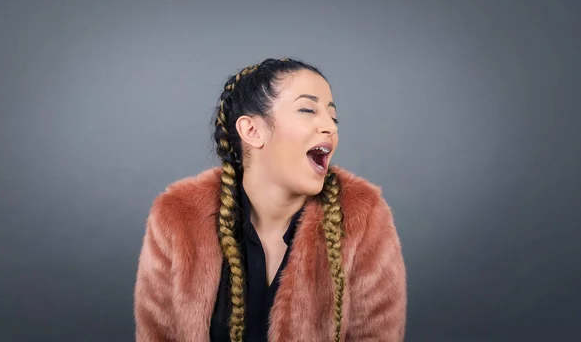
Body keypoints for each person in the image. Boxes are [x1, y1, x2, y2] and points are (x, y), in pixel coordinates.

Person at [133, 58, 407, 342]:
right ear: (252, 131)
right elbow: (157, 334)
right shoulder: (177, 217)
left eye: (332, 116)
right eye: (307, 109)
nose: (330, 127)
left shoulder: (364, 218)